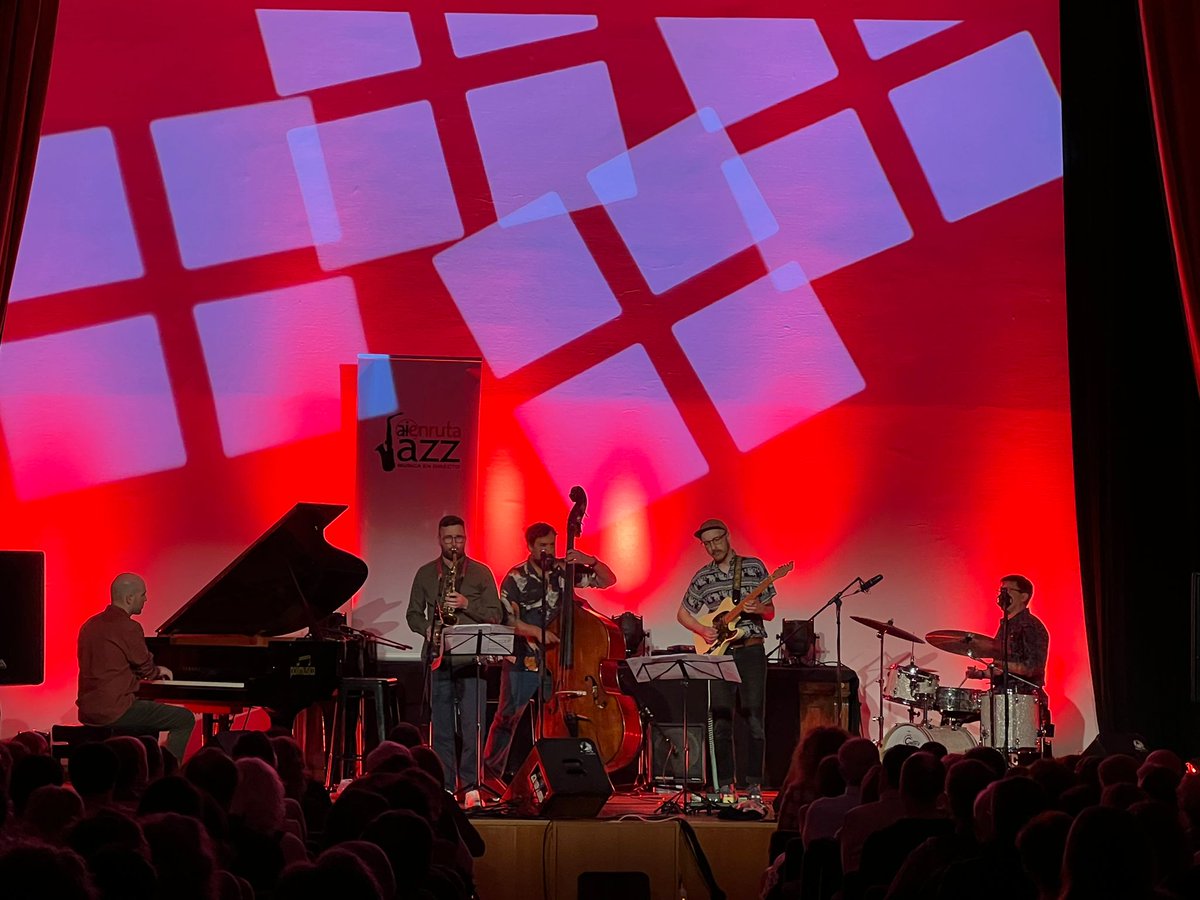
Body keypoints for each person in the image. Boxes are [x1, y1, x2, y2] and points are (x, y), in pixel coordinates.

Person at [481, 521, 615, 791]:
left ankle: (560, 777)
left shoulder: (563, 571)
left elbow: (608, 580)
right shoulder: (516, 577)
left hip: (561, 662)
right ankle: (489, 777)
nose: (548, 551)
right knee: (507, 717)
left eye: (551, 545)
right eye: (542, 546)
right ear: (530, 547)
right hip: (524, 659)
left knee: (557, 721)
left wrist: (590, 560)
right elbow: (507, 620)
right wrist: (535, 632)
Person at [677, 518, 774, 806]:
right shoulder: (702, 577)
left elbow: (770, 612)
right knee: (720, 721)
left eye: (716, 540)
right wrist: (702, 630)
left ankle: (754, 784)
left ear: (727, 537)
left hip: (751, 650)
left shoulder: (753, 567)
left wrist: (760, 609)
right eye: (706, 543)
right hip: (720, 653)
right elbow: (682, 613)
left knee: (754, 718)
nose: (712, 547)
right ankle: (725, 785)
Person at [406, 515, 502, 803]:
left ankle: (472, 786)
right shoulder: (425, 573)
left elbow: (496, 614)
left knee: (474, 725)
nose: (454, 544)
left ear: (465, 538)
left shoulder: (481, 573)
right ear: (439, 539)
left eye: (459, 538)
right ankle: (446, 786)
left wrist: (466, 604)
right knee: (442, 727)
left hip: (472, 661)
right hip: (439, 657)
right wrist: (428, 632)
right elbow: (412, 613)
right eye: (448, 538)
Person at [76, 573, 196, 762]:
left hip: (87, 709)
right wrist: (159, 670)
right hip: (115, 710)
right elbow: (146, 670)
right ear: (129, 598)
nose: (146, 599)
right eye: (143, 594)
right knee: (184, 719)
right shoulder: (128, 627)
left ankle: (141, 764)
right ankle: (170, 771)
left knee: (149, 713)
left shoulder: (89, 625)